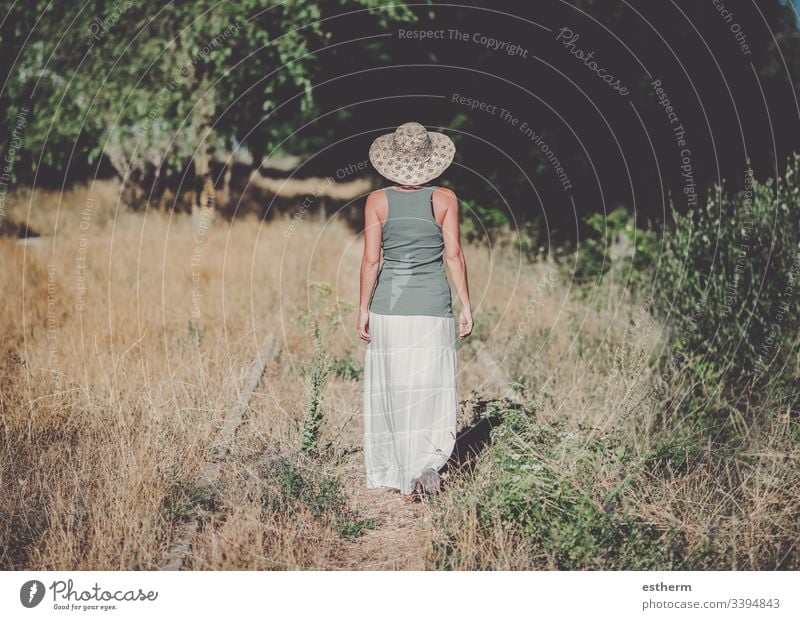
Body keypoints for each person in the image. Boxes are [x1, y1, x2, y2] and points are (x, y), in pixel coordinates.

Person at [358, 121, 473, 502]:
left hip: (388, 309)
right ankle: (428, 463)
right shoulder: (444, 199)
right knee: (430, 385)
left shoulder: (377, 201)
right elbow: (454, 255)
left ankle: (393, 466)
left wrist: (363, 308)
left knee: (394, 384)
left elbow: (371, 261)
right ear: (430, 162)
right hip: (432, 309)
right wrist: (467, 305)